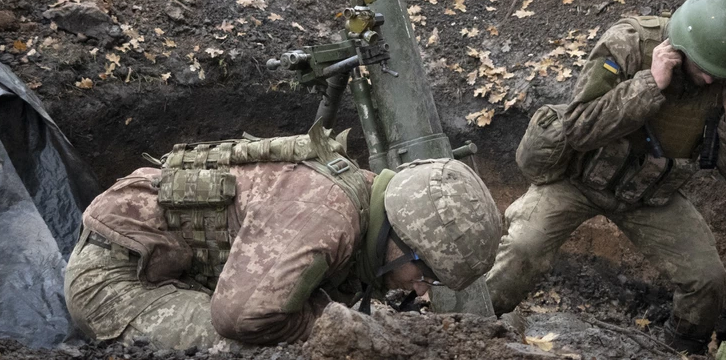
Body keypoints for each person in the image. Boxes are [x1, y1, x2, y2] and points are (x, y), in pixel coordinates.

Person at [486, 0, 726, 353]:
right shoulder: (629, 44)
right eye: (705, 69)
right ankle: (474, 324)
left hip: (651, 196)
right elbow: (579, 127)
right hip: (578, 179)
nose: (712, 81)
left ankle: (681, 349)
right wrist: (648, 85)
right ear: (683, 46)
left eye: (722, 73)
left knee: (707, 279)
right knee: (523, 247)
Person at [64, 123, 501, 350]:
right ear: (398, 231)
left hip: (182, 270)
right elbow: (242, 319)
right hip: (119, 275)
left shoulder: (363, 199)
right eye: (426, 271)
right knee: (254, 348)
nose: (422, 290)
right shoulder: (327, 214)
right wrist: (331, 328)